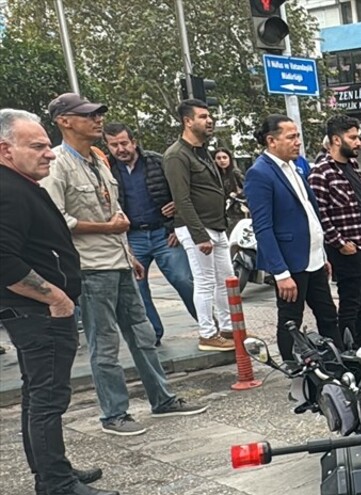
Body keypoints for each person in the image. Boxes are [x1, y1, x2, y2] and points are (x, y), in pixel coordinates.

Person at [43, 93, 207, 437]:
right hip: (90, 269)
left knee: (143, 334)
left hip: (118, 260)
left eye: (98, 113)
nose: (97, 120)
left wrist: (127, 253)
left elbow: (111, 210)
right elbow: (56, 220)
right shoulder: (57, 164)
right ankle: (114, 414)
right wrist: (109, 230)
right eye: (87, 115)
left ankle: (161, 399)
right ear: (64, 121)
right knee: (104, 344)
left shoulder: (99, 161)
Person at [0, 108, 119, 495]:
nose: (49, 153)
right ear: (5, 149)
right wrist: (55, 297)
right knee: (48, 399)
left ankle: (50, 473)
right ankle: (59, 487)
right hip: (38, 314)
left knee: (38, 395)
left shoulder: (20, 184)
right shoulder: (7, 190)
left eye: (46, 145)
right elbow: (4, 261)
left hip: (37, 313)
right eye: (36, 146)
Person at [243, 114, 339, 362]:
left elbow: (309, 212)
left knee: (328, 314)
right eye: (291, 137)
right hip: (290, 262)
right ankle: (291, 365)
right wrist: (281, 273)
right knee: (290, 320)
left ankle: (337, 360)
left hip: (314, 258)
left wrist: (323, 253)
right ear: (271, 141)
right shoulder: (260, 173)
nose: (298, 142)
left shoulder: (296, 167)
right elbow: (263, 227)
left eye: (298, 136)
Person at [104, 122, 197, 344]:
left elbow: (185, 191)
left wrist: (177, 221)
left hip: (164, 234)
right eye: (114, 145)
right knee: (137, 289)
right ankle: (152, 335)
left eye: (124, 143)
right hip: (133, 236)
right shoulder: (106, 170)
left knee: (183, 279)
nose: (120, 149)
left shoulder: (157, 161)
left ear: (134, 142)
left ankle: (208, 326)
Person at [163, 99, 235, 352]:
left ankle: (228, 327)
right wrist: (199, 235)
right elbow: (181, 198)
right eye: (203, 116)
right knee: (204, 282)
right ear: (187, 121)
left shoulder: (202, 151)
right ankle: (207, 333)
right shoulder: (176, 155)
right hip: (197, 229)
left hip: (216, 226)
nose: (210, 120)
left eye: (209, 116)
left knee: (227, 279)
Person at [309, 115, 361, 349]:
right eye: (353, 137)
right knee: (350, 304)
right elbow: (320, 215)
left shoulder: (353, 167)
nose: (359, 142)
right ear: (337, 140)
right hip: (347, 250)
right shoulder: (321, 172)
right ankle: (347, 353)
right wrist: (339, 243)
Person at [213, 148, 245, 223]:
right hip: (222, 212)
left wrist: (237, 193)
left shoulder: (235, 173)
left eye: (224, 157)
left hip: (237, 212)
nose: (222, 160)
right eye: (218, 158)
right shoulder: (215, 176)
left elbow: (248, 189)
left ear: (229, 159)